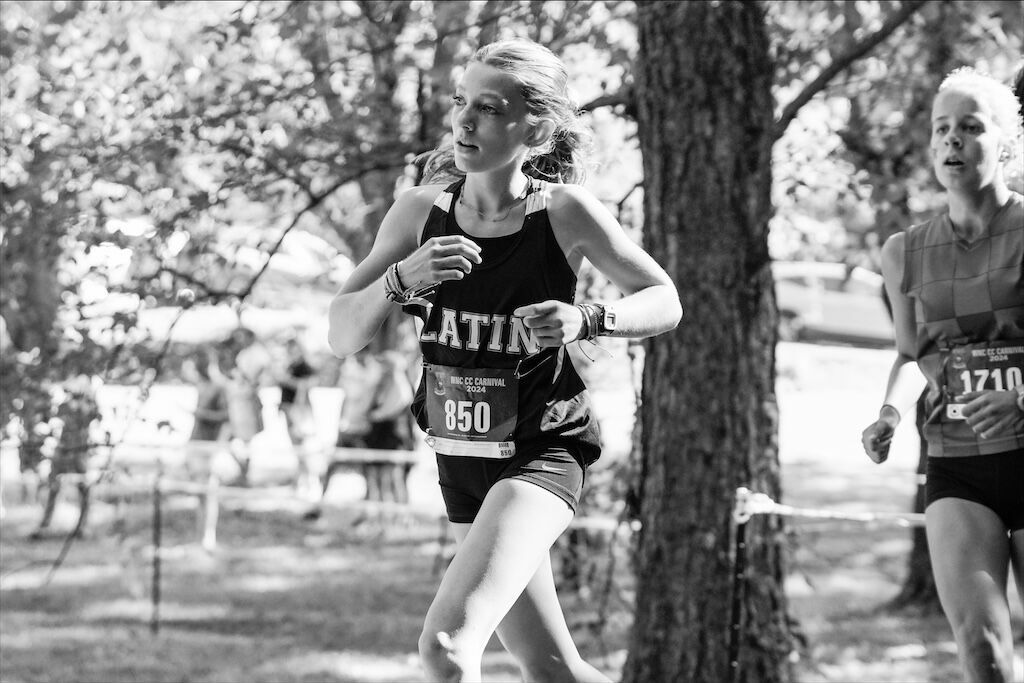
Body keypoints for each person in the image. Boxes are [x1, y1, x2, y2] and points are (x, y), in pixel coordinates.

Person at [328, 38, 681, 683]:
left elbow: (665, 299)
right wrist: (401, 280)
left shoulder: (563, 212)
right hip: (460, 459)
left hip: (541, 453)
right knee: (554, 672)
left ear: (536, 130)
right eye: (460, 101)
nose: (464, 121)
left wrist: (588, 319)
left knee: (446, 648)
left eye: (489, 108)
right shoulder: (418, 212)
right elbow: (342, 333)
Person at [860, 67, 1023, 683]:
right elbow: (910, 354)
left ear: (1005, 142)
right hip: (958, 461)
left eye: (971, 127)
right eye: (941, 128)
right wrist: (890, 413)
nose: (952, 139)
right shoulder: (903, 250)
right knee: (981, 649)